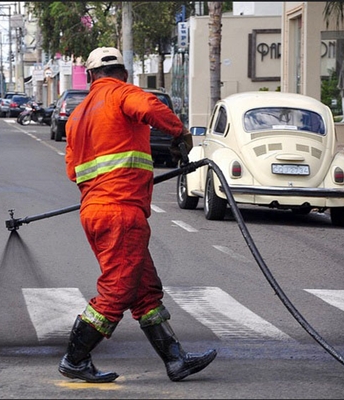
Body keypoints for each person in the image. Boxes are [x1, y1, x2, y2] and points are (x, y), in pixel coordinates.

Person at [60, 46, 217, 383]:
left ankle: (175, 359)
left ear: (89, 77)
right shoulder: (122, 94)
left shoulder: (76, 117)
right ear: (124, 74)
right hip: (121, 212)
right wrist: (180, 134)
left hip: (94, 211)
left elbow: (73, 171)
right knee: (116, 291)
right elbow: (149, 107)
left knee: (144, 290)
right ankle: (75, 358)